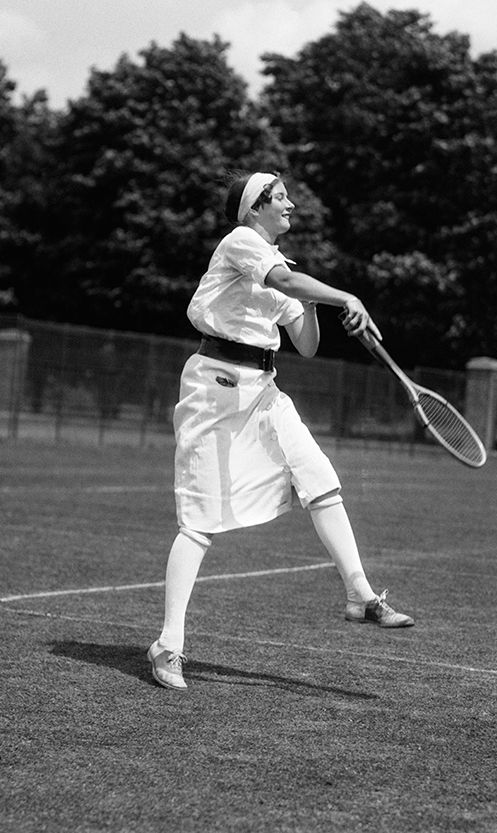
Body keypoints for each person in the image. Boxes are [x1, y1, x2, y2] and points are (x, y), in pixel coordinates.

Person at [147, 171, 414, 691]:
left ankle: (360, 594)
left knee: (320, 476)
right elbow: (287, 283)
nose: (291, 204)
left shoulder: (280, 267)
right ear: (254, 209)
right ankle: (168, 645)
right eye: (280, 197)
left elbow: (307, 343)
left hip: (264, 390)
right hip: (215, 388)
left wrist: (320, 307)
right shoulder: (241, 242)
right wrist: (346, 297)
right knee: (200, 521)